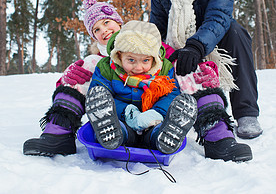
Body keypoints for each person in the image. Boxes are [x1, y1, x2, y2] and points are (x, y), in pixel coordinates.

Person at [149, 0, 263, 140]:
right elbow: (157, 24)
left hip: (209, 45)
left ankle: (246, 113)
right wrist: (154, 48)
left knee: (236, 31)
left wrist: (196, 45)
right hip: (177, 48)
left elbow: (218, 18)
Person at [85, 20, 252, 162]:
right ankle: (111, 134)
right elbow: (99, 95)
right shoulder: (106, 67)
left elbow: (171, 94)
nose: (138, 67)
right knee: (118, 128)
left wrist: (156, 113)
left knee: (159, 131)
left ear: (155, 57)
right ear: (119, 55)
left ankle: (168, 137)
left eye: (145, 60)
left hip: (153, 123)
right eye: (131, 60)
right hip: (123, 122)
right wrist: (126, 112)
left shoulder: (163, 68)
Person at [23, 0, 123, 156]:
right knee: (90, 64)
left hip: (145, 100)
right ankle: (59, 134)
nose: (103, 30)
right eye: (96, 29)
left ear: (119, 22)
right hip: (115, 107)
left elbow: (165, 55)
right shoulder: (96, 60)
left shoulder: (142, 39)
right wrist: (66, 78)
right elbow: (72, 86)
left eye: (106, 22)